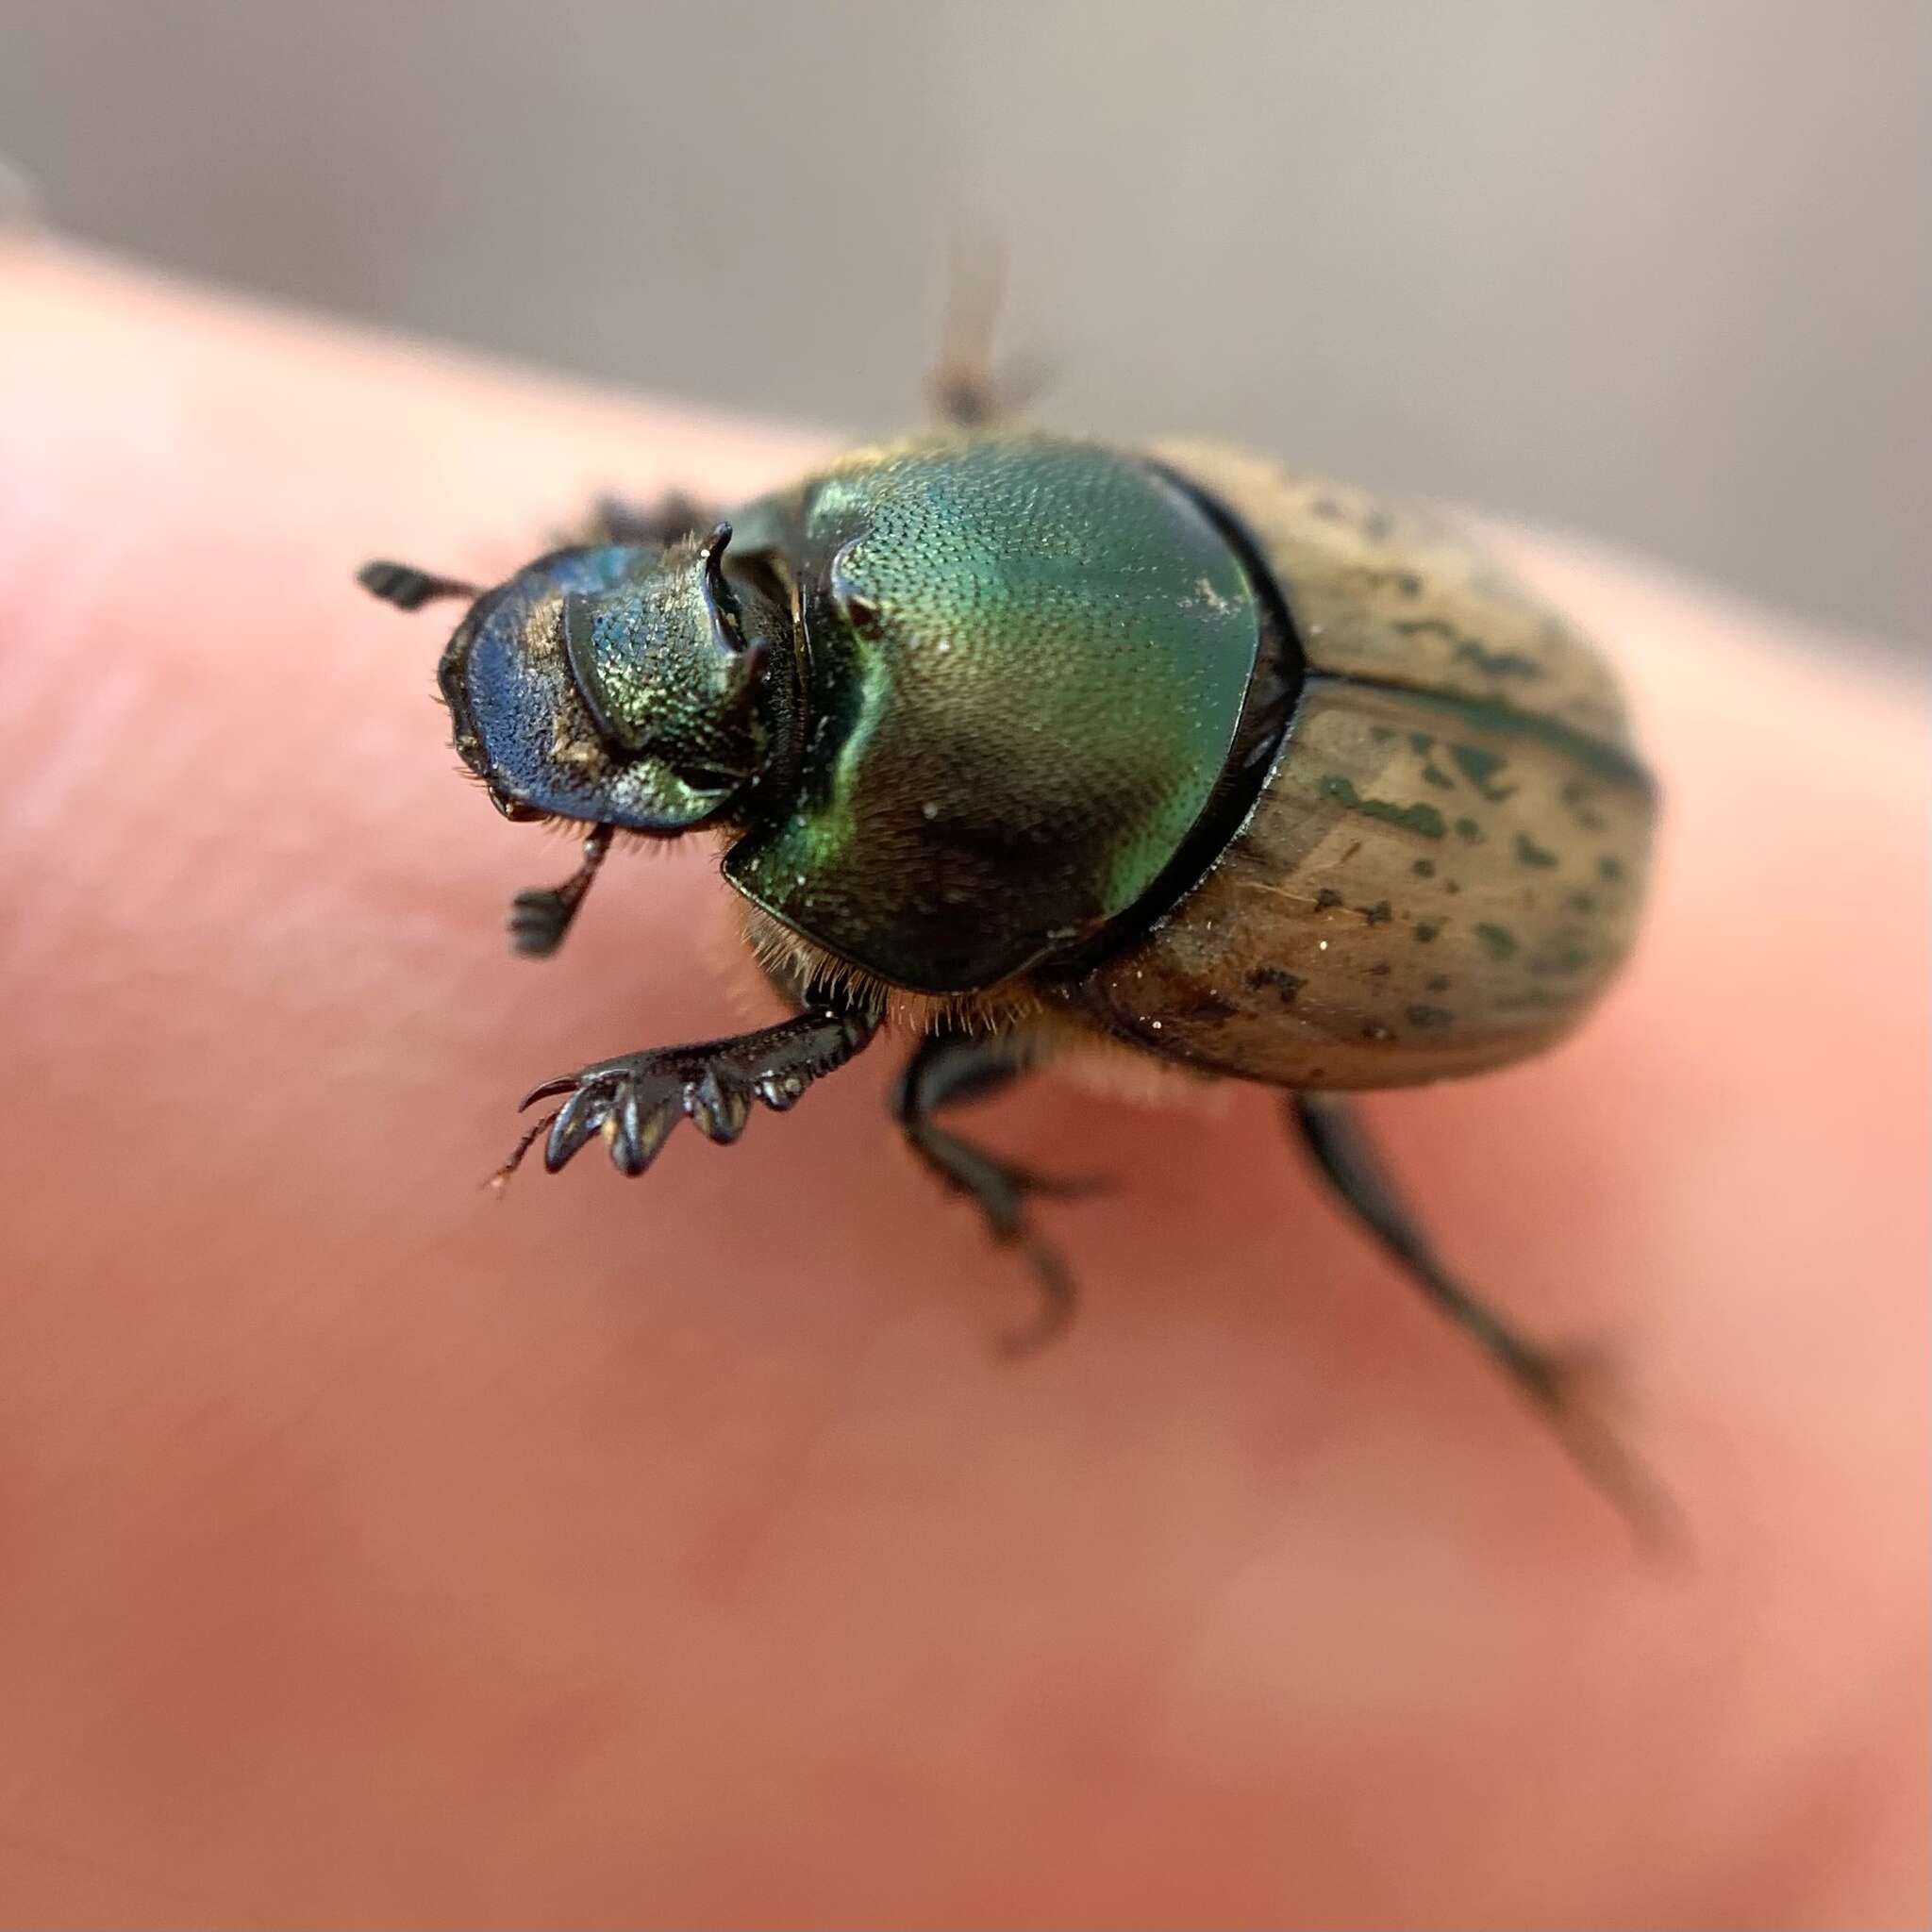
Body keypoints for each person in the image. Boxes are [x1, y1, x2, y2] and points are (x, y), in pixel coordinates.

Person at [2, 239, 1924, 1927]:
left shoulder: (985, 839)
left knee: (948, 1101)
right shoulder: (936, 543)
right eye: (713, 582)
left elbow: (852, 1018)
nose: (691, 652)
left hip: (1447, 864)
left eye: (724, 614)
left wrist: (671, 1070)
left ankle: (1511, 1349)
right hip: (1259, 613)